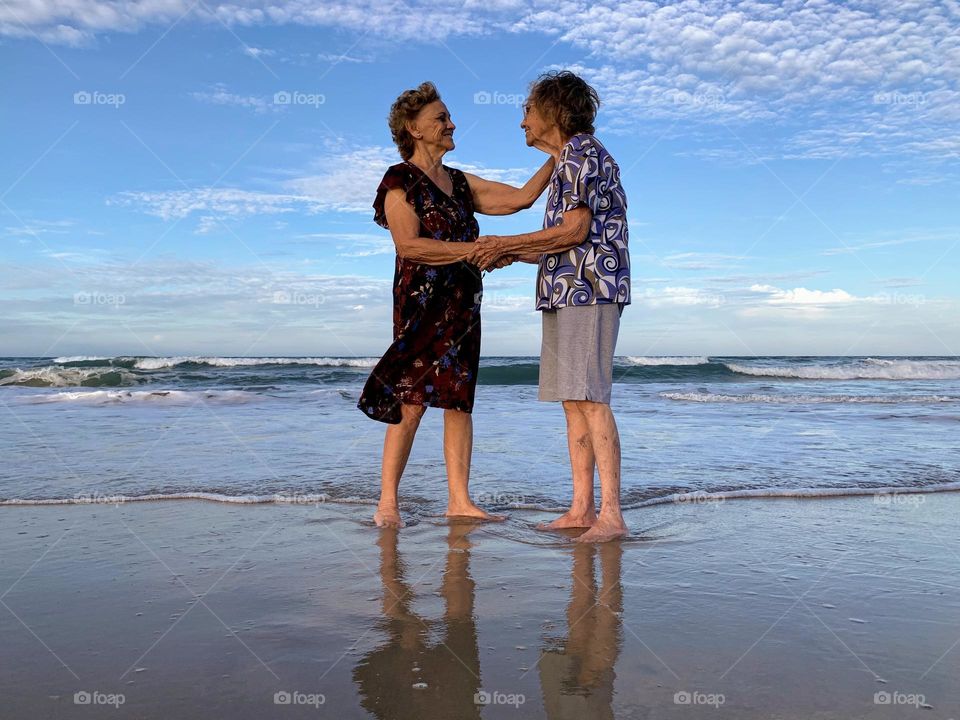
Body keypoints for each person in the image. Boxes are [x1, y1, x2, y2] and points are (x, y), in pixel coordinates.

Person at [359, 81, 555, 529]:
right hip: (422, 305)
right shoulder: (399, 180)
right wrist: (474, 250)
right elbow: (409, 246)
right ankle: (387, 502)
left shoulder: (461, 183)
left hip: (464, 305)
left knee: (458, 400)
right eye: (441, 118)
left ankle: (460, 501)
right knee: (412, 400)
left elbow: (521, 199)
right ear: (415, 128)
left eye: (448, 117)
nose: (451, 124)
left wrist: (560, 151)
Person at [473, 71, 631, 543]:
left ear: (553, 111)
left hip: (591, 289)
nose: (521, 120)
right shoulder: (567, 160)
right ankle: (581, 508)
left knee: (592, 398)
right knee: (572, 400)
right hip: (566, 289)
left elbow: (575, 232)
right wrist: (508, 254)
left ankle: (612, 515)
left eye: (527, 110)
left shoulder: (582, 153)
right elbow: (559, 243)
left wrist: (506, 241)